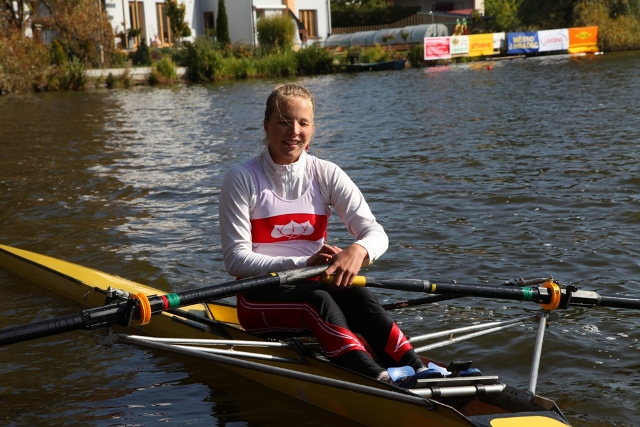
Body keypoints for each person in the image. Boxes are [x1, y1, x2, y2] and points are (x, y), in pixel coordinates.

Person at [218, 83, 428, 384]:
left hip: (313, 288)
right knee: (318, 300)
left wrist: (358, 251)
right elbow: (235, 260)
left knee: (357, 292)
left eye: (303, 123)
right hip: (259, 299)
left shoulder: (326, 173)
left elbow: (376, 233)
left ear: (312, 130)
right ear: (266, 126)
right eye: (283, 122)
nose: (294, 131)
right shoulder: (242, 178)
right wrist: (305, 263)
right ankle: (379, 379)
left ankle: (417, 368)